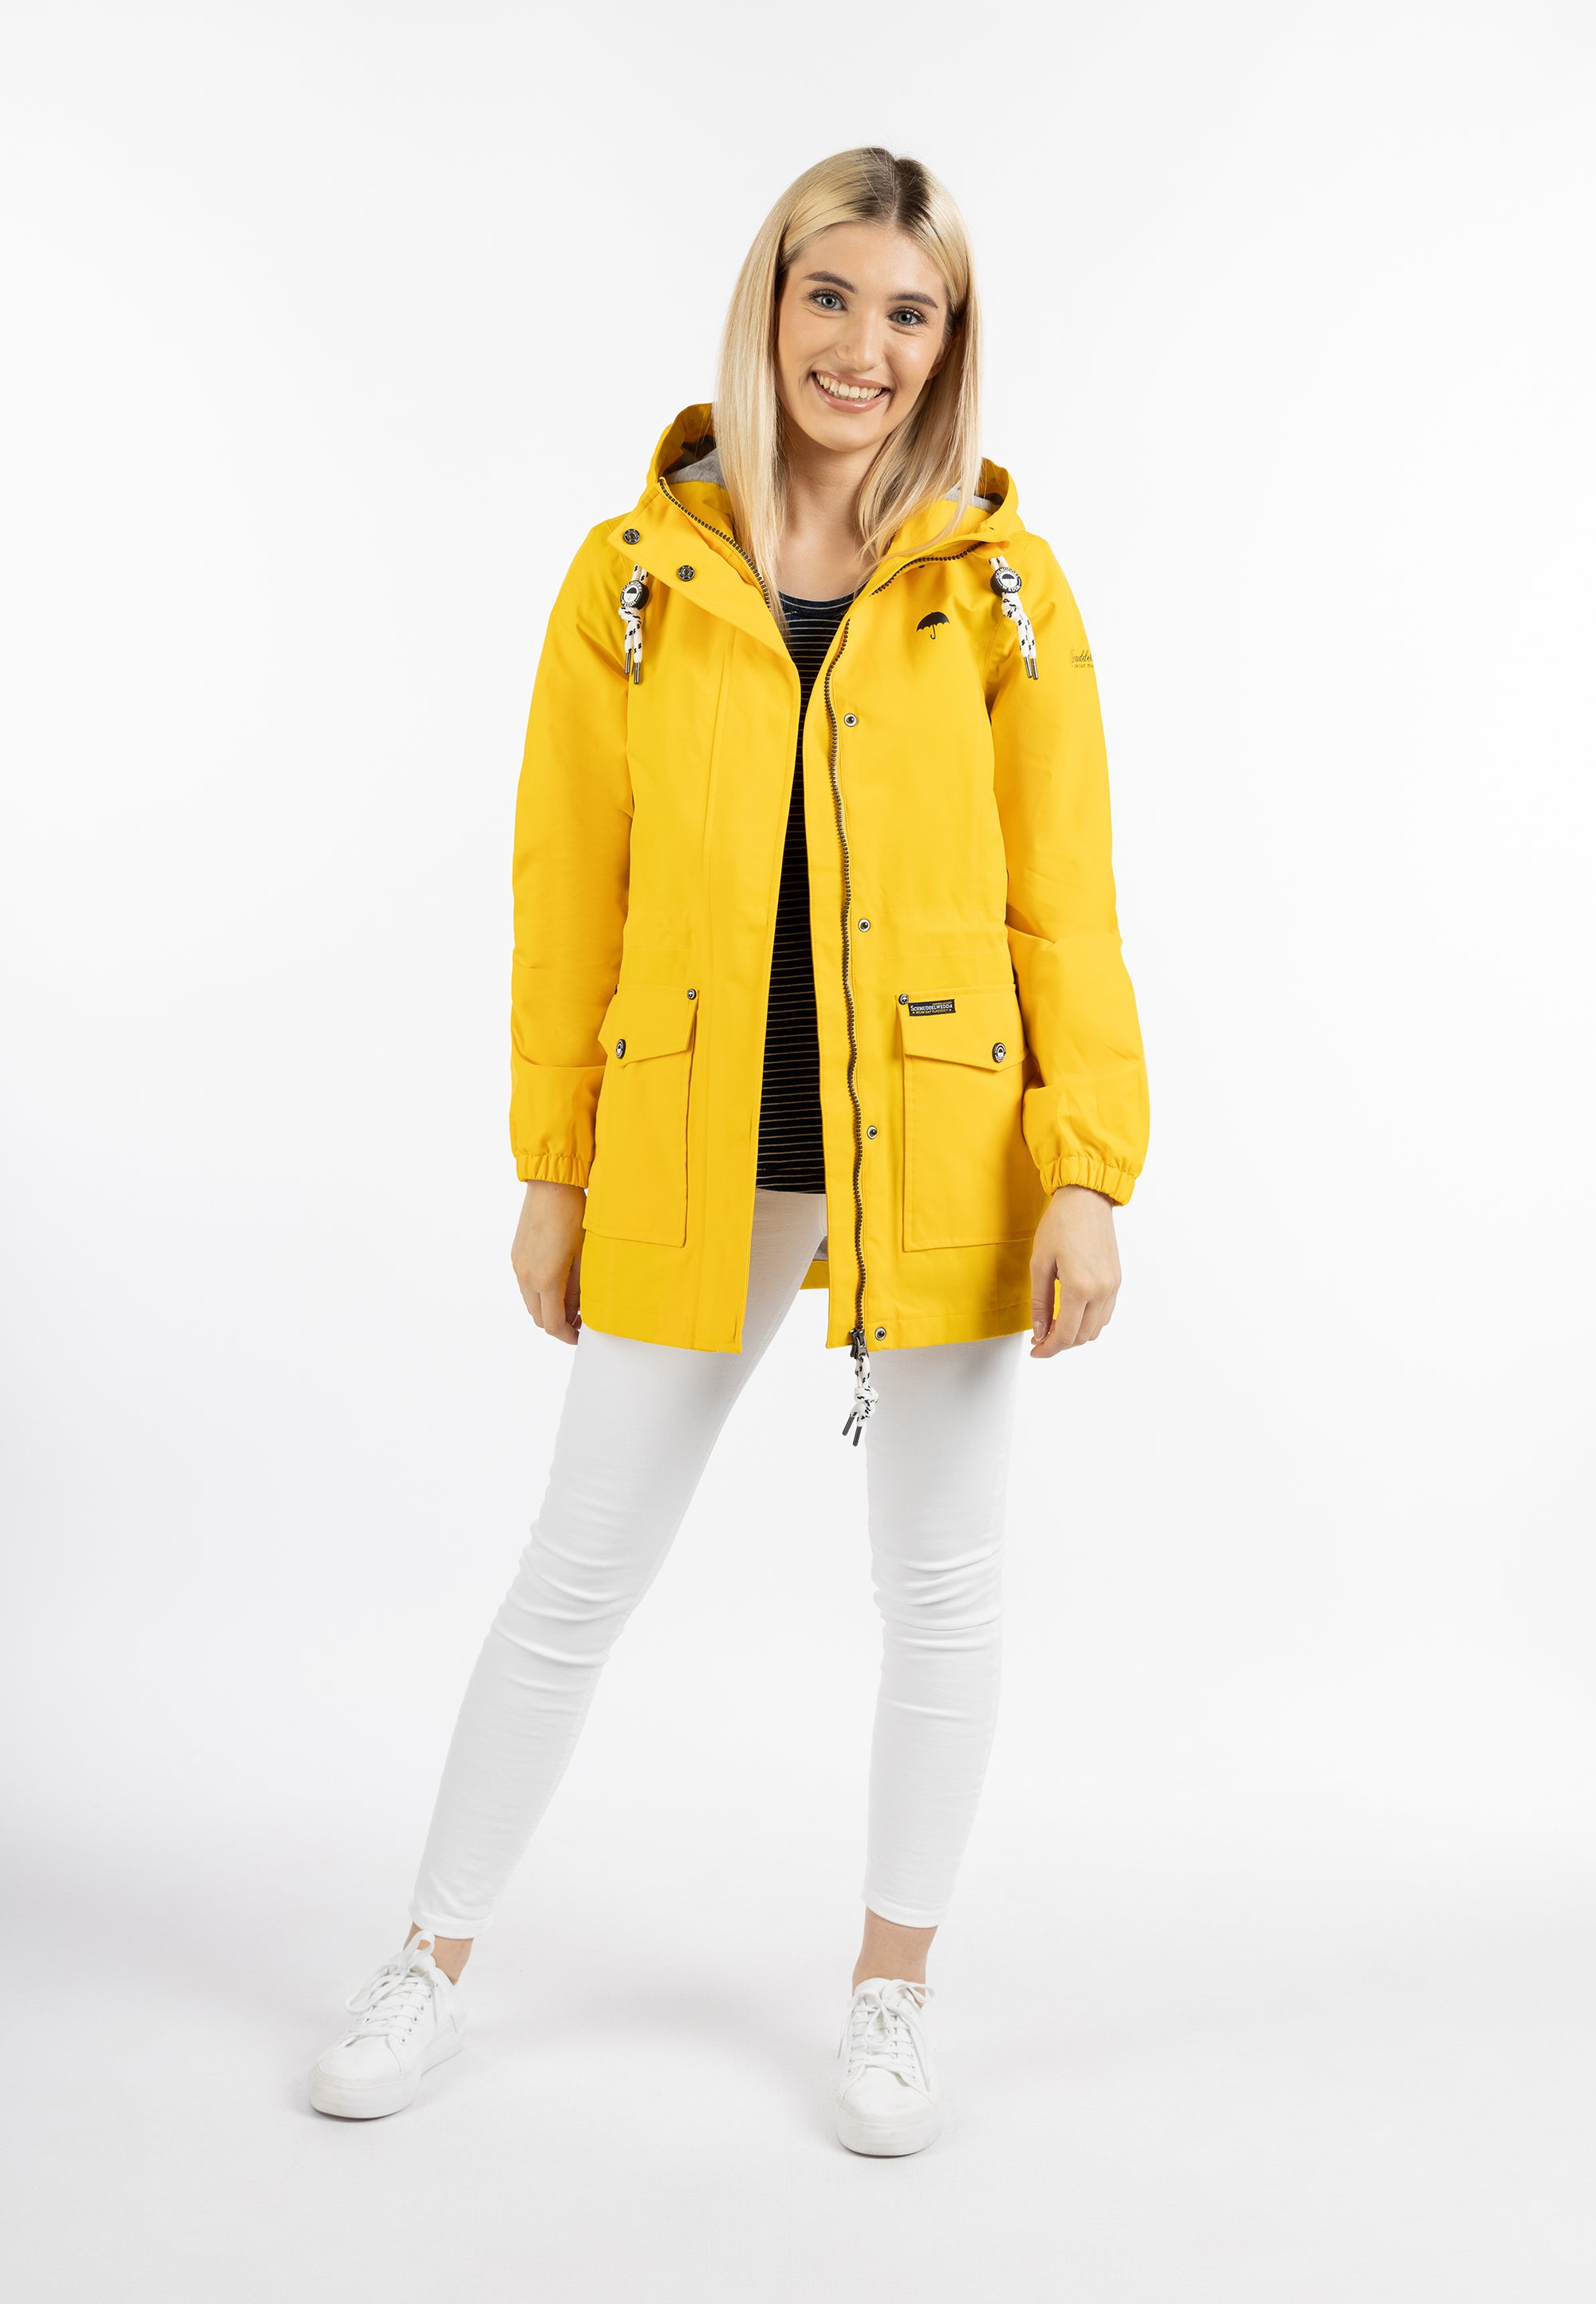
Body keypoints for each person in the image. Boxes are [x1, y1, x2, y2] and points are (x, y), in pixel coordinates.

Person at [309, 146, 1149, 2155]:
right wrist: (553, 1165)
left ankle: (890, 1992)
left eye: (909, 311)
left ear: (950, 340)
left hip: (942, 1143)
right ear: (769, 305)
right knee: (575, 1568)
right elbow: (566, 893)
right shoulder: (631, 576)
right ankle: (428, 1958)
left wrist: (1087, 1168)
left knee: (938, 1583)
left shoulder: (1003, 590)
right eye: (830, 295)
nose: (865, 346)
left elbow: (1065, 902)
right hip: (695, 1136)